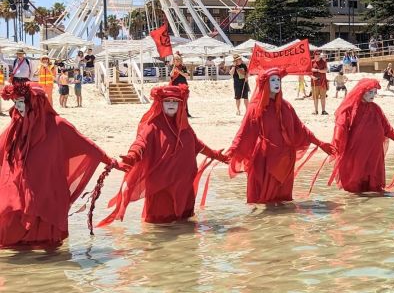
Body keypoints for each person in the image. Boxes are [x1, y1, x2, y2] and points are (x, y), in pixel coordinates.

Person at [0, 83, 120, 249]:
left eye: (21, 101)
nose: (18, 106)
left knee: (48, 245)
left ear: (36, 102)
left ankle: (43, 271)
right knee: (12, 235)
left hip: (49, 190)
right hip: (21, 191)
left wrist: (110, 161)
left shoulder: (58, 125)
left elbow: (87, 145)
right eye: (15, 102)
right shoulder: (16, 126)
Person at [98, 85, 228, 226]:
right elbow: (140, 143)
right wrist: (132, 156)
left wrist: (216, 155)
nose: (171, 104)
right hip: (161, 187)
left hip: (184, 186)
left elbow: (197, 144)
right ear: (161, 103)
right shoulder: (153, 125)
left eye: (175, 101)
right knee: (160, 225)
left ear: (181, 104)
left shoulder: (185, 126)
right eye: (168, 101)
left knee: (186, 224)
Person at [225, 68, 335, 204]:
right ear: (265, 83)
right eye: (273, 80)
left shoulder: (286, 106)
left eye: (278, 80)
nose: (277, 82)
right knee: (265, 202)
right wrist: (232, 151)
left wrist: (320, 143)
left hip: (286, 160)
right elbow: (244, 133)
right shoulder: (255, 108)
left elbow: (300, 128)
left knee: (284, 202)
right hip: (266, 160)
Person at [327, 79, 394, 193]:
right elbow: (340, 127)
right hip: (356, 156)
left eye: (375, 92)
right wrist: (336, 143)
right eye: (370, 92)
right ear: (361, 92)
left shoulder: (376, 109)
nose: (373, 95)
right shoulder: (349, 110)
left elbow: (388, 130)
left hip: (374, 157)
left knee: (375, 190)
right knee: (354, 191)